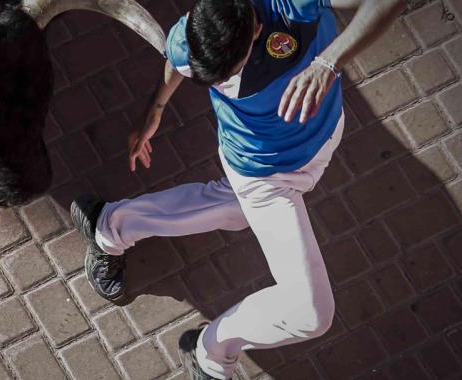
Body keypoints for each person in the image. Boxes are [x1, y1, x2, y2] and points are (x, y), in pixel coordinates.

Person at [70, 0, 405, 378]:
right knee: (310, 311)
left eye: (226, 74)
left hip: (316, 143)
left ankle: (110, 226)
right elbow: (177, 60)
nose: (219, 85)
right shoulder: (195, 33)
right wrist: (156, 111)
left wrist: (328, 63)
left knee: (233, 210)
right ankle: (210, 354)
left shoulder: (293, 6)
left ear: (257, 30)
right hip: (264, 176)